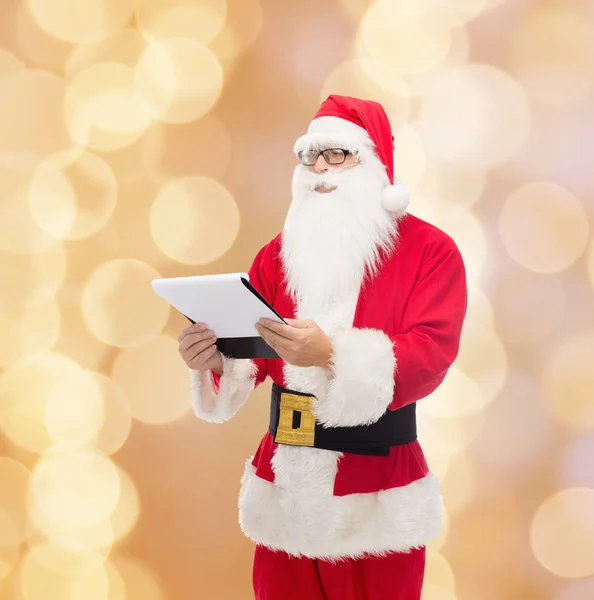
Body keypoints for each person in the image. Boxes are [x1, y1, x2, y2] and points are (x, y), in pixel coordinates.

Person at [177, 95, 467, 600]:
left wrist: (333, 353)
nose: (319, 168)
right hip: (284, 494)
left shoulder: (430, 251)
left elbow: (432, 351)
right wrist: (213, 359)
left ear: (373, 163)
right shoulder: (277, 255)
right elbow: (252, 353)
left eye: (337, 153)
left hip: (376, 498)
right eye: (310, 156)